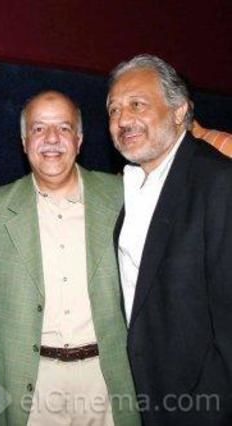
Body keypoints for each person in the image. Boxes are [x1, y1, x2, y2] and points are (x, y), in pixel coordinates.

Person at [0, 91, 139, 426]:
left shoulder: (124, 198)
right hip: (32, 387)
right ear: (24, 142)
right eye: (38, 129)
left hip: (106, 381)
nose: (51, 139)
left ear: (79, 140)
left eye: (64, 128)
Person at [107, 54, 232, 425]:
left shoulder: (219, 183)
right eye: (114, 109)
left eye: (137, 104)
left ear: (180, 112)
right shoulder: (132, 186)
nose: (122, 119)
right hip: (150, 397)